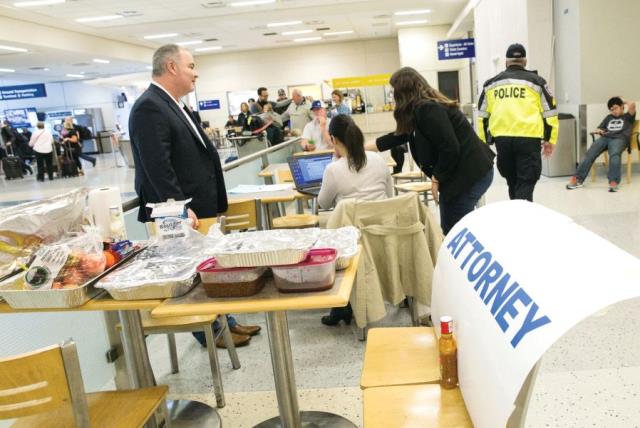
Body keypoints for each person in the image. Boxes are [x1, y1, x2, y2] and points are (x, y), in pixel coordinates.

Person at [129, 44, 260, 349]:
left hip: (200, 207)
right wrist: (177, 208)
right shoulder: (149, 107)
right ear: (172, 67)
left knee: (210, 268)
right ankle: (210, 332)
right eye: (191, 66)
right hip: (179, 214)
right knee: (191, 273)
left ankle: (226, 323)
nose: (196, 72)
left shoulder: (174, 103)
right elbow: (157, 165)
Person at [366, 67, 495, 235]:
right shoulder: (421, 110)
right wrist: (360, 147)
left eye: (394, 91)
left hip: (468, 175)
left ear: (404, 91)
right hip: (467, 172)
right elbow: (398, 137)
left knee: (454, 231)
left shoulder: (427, 109)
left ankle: (456, 260)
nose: (393, 96)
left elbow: (450, 147)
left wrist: (436, 178)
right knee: (455, 227)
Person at [319, 114, 392, 326]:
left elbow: (323, 203)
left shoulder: (333, 169)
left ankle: (342, 306)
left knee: (326, 231)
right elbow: (389, 196)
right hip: (382, 233)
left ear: (333, 140)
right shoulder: (379, 160)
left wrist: (336, 160)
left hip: (352, 244)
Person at [477, 43, 558, 201]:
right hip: (528, 138)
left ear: (506, 62)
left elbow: (482, 116)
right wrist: (550, 139)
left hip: (502, 140)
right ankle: (522, 219)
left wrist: (484, 141)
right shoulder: (538, 82)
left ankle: (516, 213)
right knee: (526, 181)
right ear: (525, 61)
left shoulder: (491, 84)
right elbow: (550, 114)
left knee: (512, 181)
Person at [566, 97, 636, 192]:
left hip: (619, 139)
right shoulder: (608, 118)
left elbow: (632, 104)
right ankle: (577, 179)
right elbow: (600, 128)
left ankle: (613, 182)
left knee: (614, 154)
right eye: (611, 110)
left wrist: (621, 100)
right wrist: (599, 131)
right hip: (605, 138)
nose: (614, 111)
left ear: (622, 106)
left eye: (616, 108)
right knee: (590, 153)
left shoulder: (628, 117)